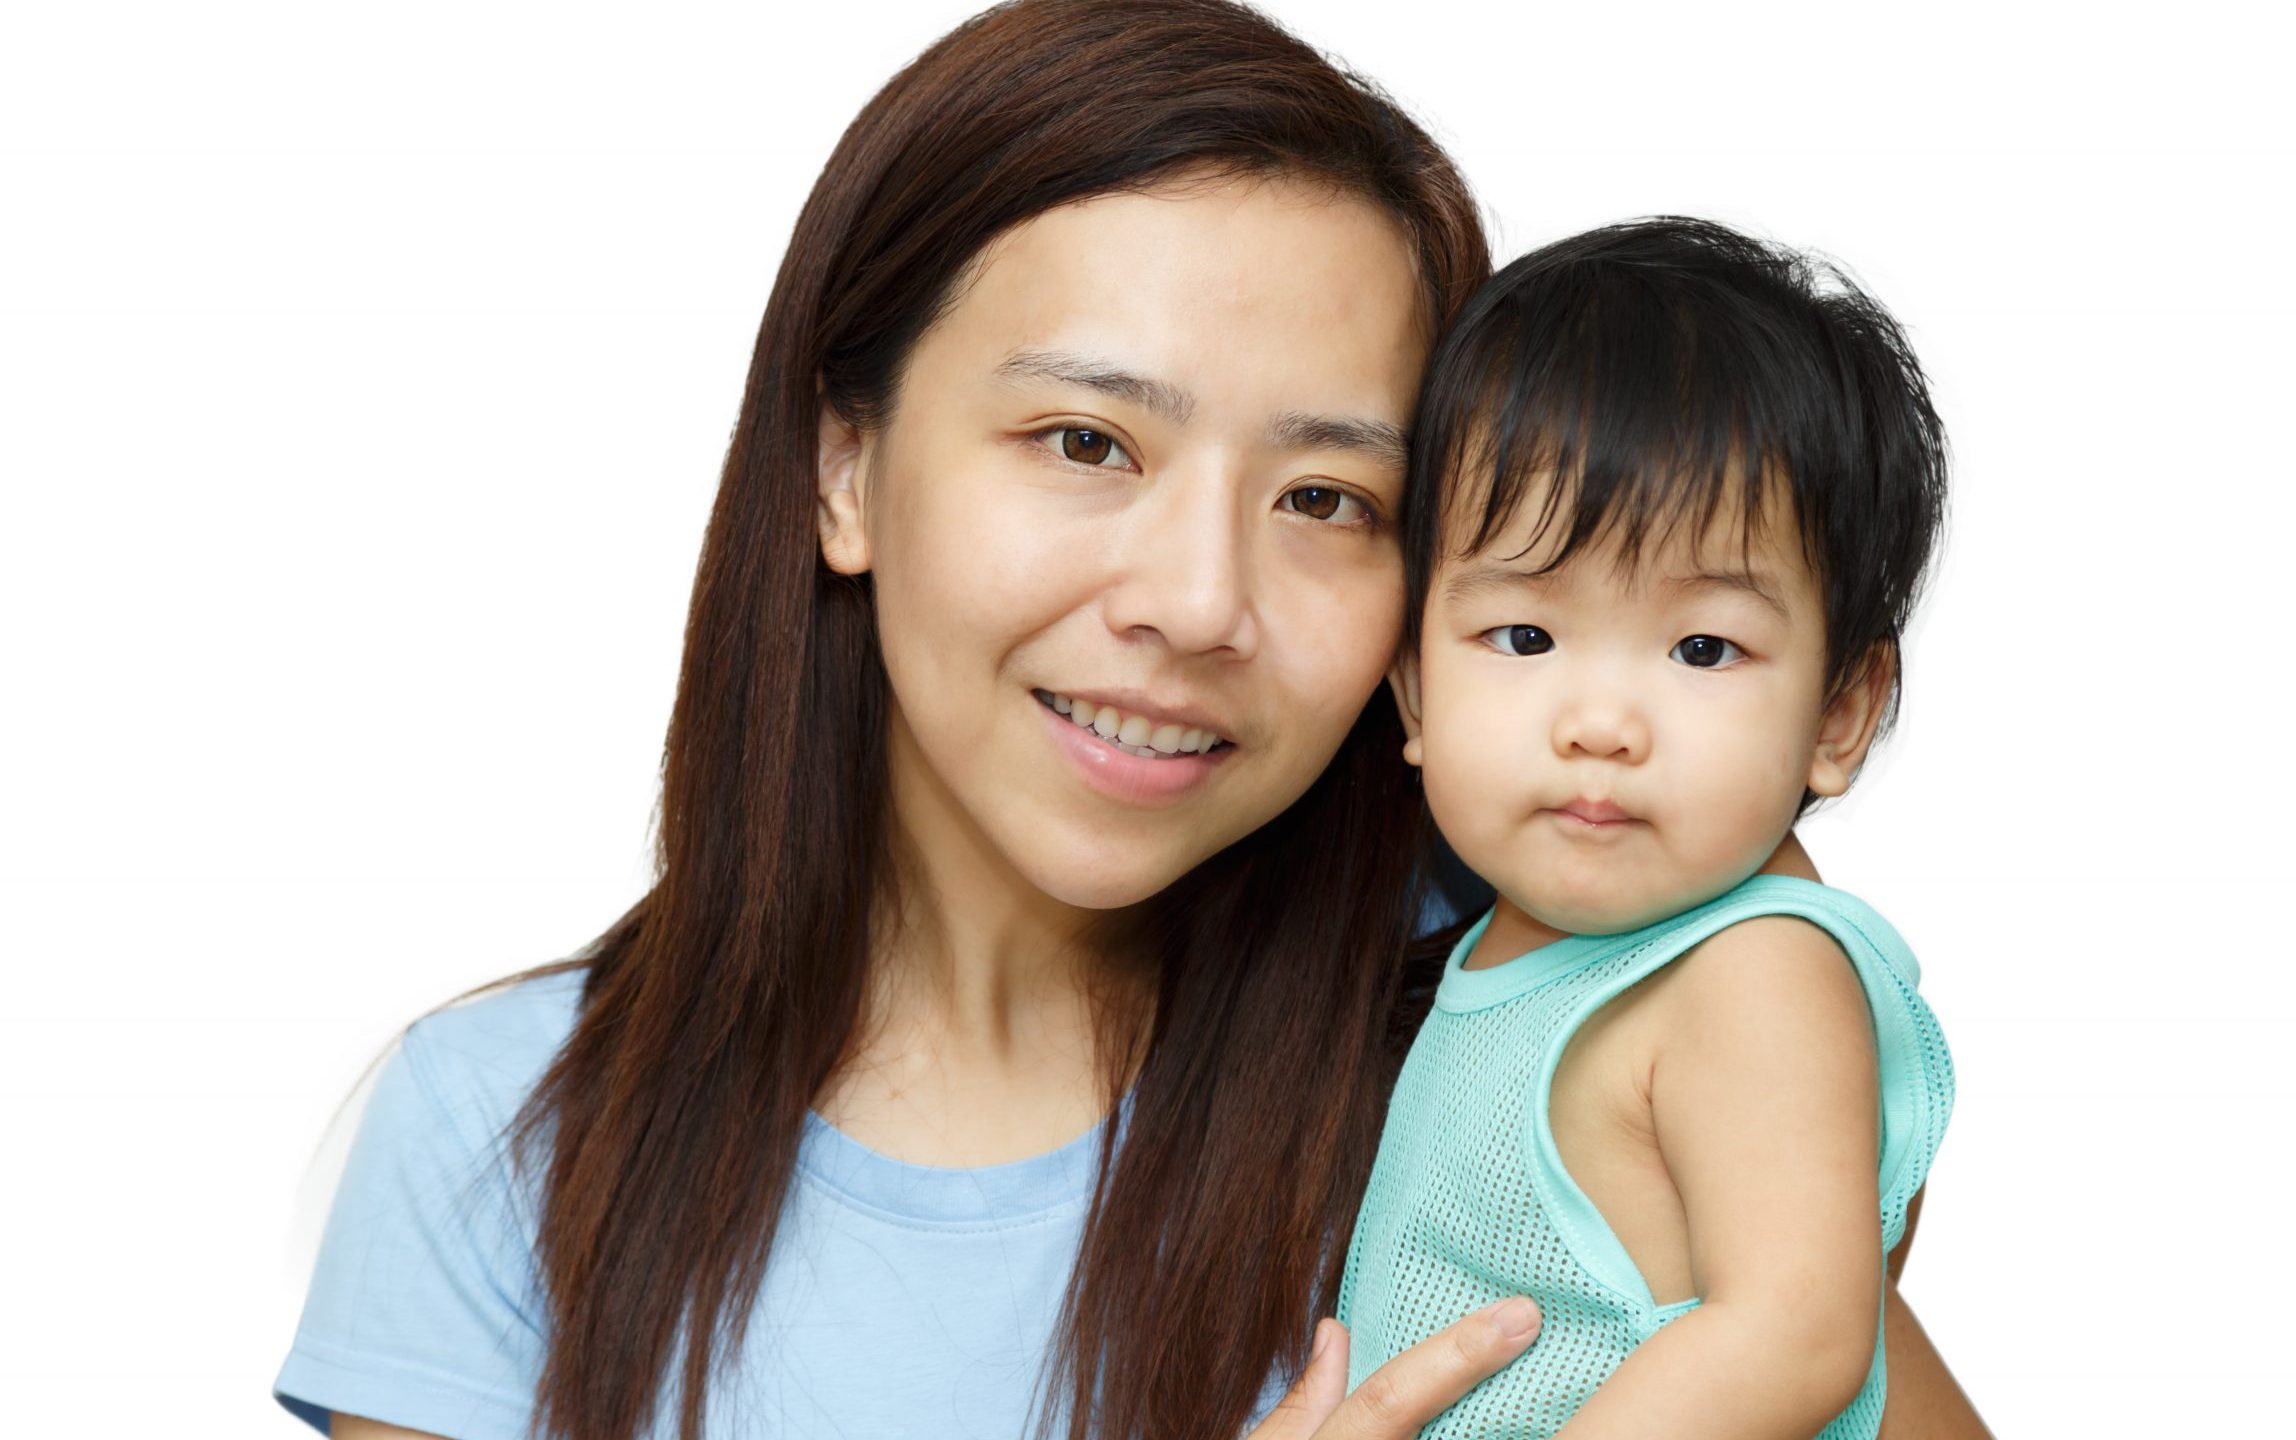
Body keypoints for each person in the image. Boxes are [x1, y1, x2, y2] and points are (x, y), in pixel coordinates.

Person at [270, 4, 1986, 1437]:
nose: (1196, 600)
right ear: (844, 468)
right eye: (1089, 443)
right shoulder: (510, 1144)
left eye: (1327, 497)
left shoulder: (1545, 1029)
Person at [1332, 217, 1959, 1438]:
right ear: (1413, 689)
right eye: (1522, 637)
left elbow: (1793, 1332)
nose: (1602, 722)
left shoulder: (1752, 969)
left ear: (1839, 714)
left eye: (1702, 647)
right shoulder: (1499, 958)